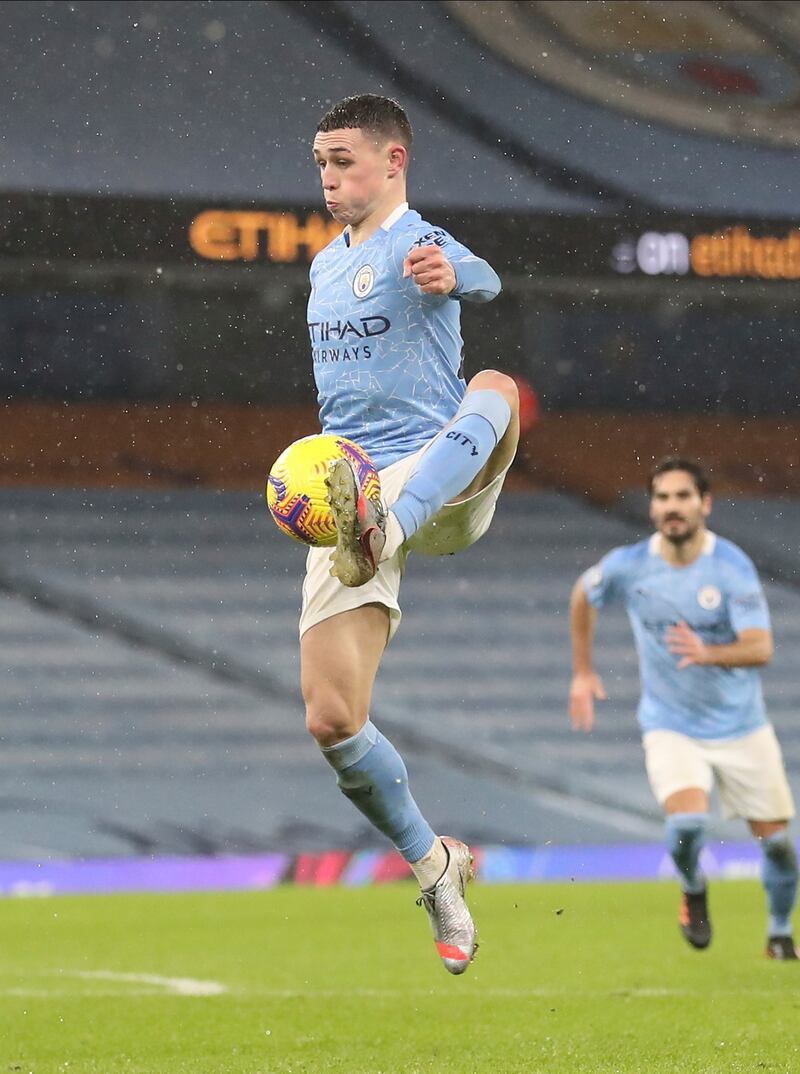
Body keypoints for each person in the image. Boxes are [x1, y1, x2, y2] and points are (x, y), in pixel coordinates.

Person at [299, 94, 519, 974]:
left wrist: (454, 278)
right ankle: (436, 867)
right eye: (320, 161)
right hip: (349, 491)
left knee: (498, 381)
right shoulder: (321, 266)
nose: (328, 176)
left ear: (395, 161)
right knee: (331, 719)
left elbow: (487, 278)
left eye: (344, 159)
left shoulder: (420, 240)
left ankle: (391, 527)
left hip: (435, 475)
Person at [569, 456, 798, 959]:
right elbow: (583, 595)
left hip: (741, 726)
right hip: (671, 725)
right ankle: (693, 889)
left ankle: (779, 933)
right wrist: (583, 670)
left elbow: (760, 648)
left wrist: (707, 652)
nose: (672, 507)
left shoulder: (731, 566)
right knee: (688, 824)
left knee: (780, 846)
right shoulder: (630, 565)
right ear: (652, 508)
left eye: (682, 497)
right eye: (663, 497)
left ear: (704, 504)